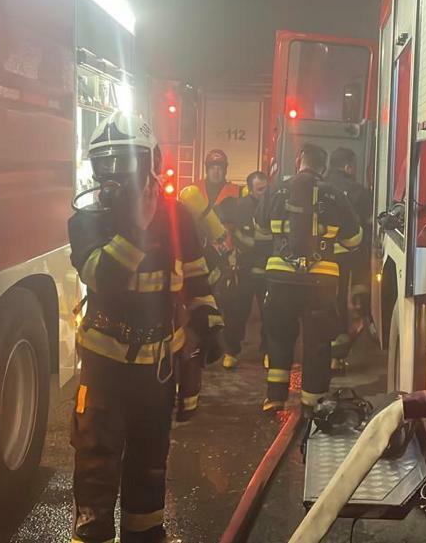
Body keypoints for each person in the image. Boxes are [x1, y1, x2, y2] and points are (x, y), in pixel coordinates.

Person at [67, 112, 224, 543]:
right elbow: (102, 277)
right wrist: (135, 229)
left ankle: (145, 534)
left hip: (157, 370)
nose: (115, 175)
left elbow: (196, 275)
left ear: (152, 162)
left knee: (151, 461)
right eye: (105, 164)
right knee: (96, 464)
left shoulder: (177, 218)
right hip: (104, 370)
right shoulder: (87, 220)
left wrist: (209, 321)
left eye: (126, 162)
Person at [256, 143, 362, 413]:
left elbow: (260, 226)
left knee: (279, 337)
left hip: (280, 278)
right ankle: (312, 404)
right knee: (318, 342)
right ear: (323, 168)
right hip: (320, 282)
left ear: (298, 162)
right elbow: (354, 240)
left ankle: (275, 397)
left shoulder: (276, 190)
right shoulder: (335, 194)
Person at [177, 149, 242, 417]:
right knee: (202, 310)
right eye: (212, 166)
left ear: (225, 169)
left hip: (224, 255)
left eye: (220, 166)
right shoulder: (194, 191)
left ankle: (226, 348)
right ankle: (208, 348)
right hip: (199, 255)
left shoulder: (236, 192)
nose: (216, 170)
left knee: (226, 306)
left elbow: (241, 223)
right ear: (206, 168)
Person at [326, 147, 374, 373]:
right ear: (348, 166)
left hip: (318, 257)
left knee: (321, 304)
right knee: (341, 302)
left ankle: (320, 355)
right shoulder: (358, 192)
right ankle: (336, 359)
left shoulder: (319, 186)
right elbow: (366, 226)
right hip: (347, 258)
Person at [219, 170, 272, 368]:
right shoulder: (240, 207)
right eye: (259, 190)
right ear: (250, 189)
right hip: (245, 269)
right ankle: (231, 352)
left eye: (265, 189)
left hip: (268, 268)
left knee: (270, 313)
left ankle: (268, 351)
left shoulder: (274, 205)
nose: (263, 193)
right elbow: (221, 219)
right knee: (237, 312)